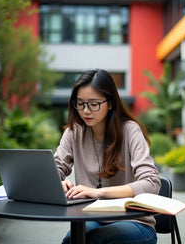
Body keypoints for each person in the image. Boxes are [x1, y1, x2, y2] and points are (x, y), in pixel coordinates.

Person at [54, 69, 161, 244]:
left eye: (93, 104)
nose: (85, 111)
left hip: (135, 222)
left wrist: (98, 192)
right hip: (92, 218)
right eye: (80, 103)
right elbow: (56, 168)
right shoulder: (74, 133)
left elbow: (151, 182)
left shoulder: (129, 130)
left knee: (95, 240)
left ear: (110, 103)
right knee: (72, 240)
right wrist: (58, 182)